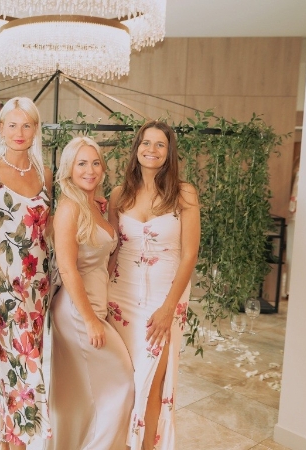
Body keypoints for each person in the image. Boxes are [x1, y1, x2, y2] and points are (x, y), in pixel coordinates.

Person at [0, 97, 53, 449]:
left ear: (35, 130)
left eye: (26, 125)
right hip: (1, 288)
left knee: (18, 366)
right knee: (21, 365)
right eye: (12, 124)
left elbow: (49, 231)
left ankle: (3, 438)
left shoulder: (45, 173)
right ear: (0, 128)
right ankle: (18, 442)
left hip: (38, 289)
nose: (19, 132)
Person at [106, 120, 200, 450]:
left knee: (152, 384)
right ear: (136, 149)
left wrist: (168, 308)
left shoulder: (184, 193)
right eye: (146, 143)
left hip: (164, 298)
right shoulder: (119, 194)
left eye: (160, 144)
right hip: (120, 297)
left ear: (169, 152)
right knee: (123, 380)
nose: (152, 149)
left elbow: (190, 255)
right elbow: (111, 250)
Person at [47, 136, 134, 450]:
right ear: (69, 169)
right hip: (76, 310)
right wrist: (90, 320)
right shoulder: (69, 207)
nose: (90, 170)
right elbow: (68, 269)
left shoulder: (95, 205)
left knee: (82, 392)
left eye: (96, 163)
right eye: (81, 163)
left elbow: (106, 257)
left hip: (95, 304)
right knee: (122, 379)